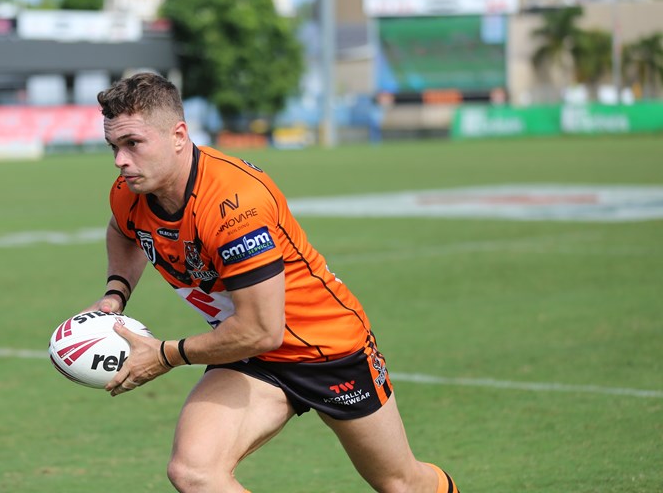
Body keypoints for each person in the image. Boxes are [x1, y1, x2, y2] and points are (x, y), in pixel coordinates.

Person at [88, 72, 460, 493]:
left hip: (325, 348)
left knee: (400, 482)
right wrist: (115, 293)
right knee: (194, 472)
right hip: (247, 352)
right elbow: (123, 229)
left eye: (133, 143)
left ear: (178, 135)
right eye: (113, 146)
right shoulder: (129, 192)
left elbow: (263, 329)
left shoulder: (233, 205)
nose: (120, 160)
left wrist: (166, 355)